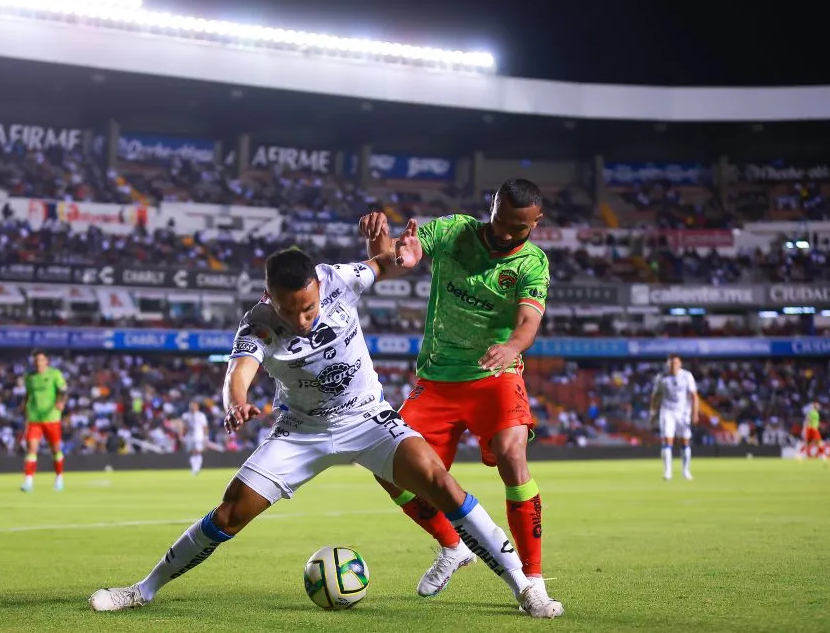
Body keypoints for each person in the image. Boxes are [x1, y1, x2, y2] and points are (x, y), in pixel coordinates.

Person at [90, 238, 555, 617]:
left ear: (318, 284)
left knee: (441, 484)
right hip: (301, 433)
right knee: (231, 511)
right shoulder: (258, 324)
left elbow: (383, 264)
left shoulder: (338, 279)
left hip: (368, 419)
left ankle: (525, 588)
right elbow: (241, 372)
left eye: (309, 308)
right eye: (290, 311)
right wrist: (237, 403)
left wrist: (402, 253)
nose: (301, 320)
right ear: (269, 295)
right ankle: (142, 590)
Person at [357, 179, 562, 617]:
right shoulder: (453, 230)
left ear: (536, 222)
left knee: (512, 454)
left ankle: (533, 580)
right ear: (492, 205)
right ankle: (453, 545)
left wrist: (512, 347)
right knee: (388, 469)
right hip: (437, 379)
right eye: (502, 221)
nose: (507, 234)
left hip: (496, 375)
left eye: (520, 227)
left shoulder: (533, 263)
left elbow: (528, 320)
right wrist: (395, 249)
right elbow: (403, 255)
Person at [20, 351, 68, 492]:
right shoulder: (30, 377)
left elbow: (63, 390)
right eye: (36, 361)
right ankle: (28, 481)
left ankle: (59, 477)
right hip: (35, 418)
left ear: (47, 361)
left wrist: (60, 402)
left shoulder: (55, 374)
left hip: (51, 418)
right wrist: (24, 406)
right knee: (31, 448)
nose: (39, 363)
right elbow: (28, 394)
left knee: (55, 450)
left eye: (41, 360)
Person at [648, 354, 699, 481]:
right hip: (667, 412)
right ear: (667, 365)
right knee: (667, 441)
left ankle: (685, 471)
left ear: (680, 364)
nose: (673, 366)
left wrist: (695, 413)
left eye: (675, 363)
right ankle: (668, 472)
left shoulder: (687, 376)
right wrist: (653, 412)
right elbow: (655, 396)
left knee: (685, 442)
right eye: (671, 363)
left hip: (683, 413)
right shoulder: (661, 377)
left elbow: (694, 396)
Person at [185, 401, 209, 475]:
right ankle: (194, 467)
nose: (192, 407)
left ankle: (197, 468)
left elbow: (205, 427)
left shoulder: (201, 416)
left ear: (197, 407)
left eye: (193, 406)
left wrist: (206, 437)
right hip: (189, 436)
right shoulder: (186, 416)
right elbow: (185, 427)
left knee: (198, 451)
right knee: (192, 452)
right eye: (191, 406)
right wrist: (182, 436)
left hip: (199, 436)